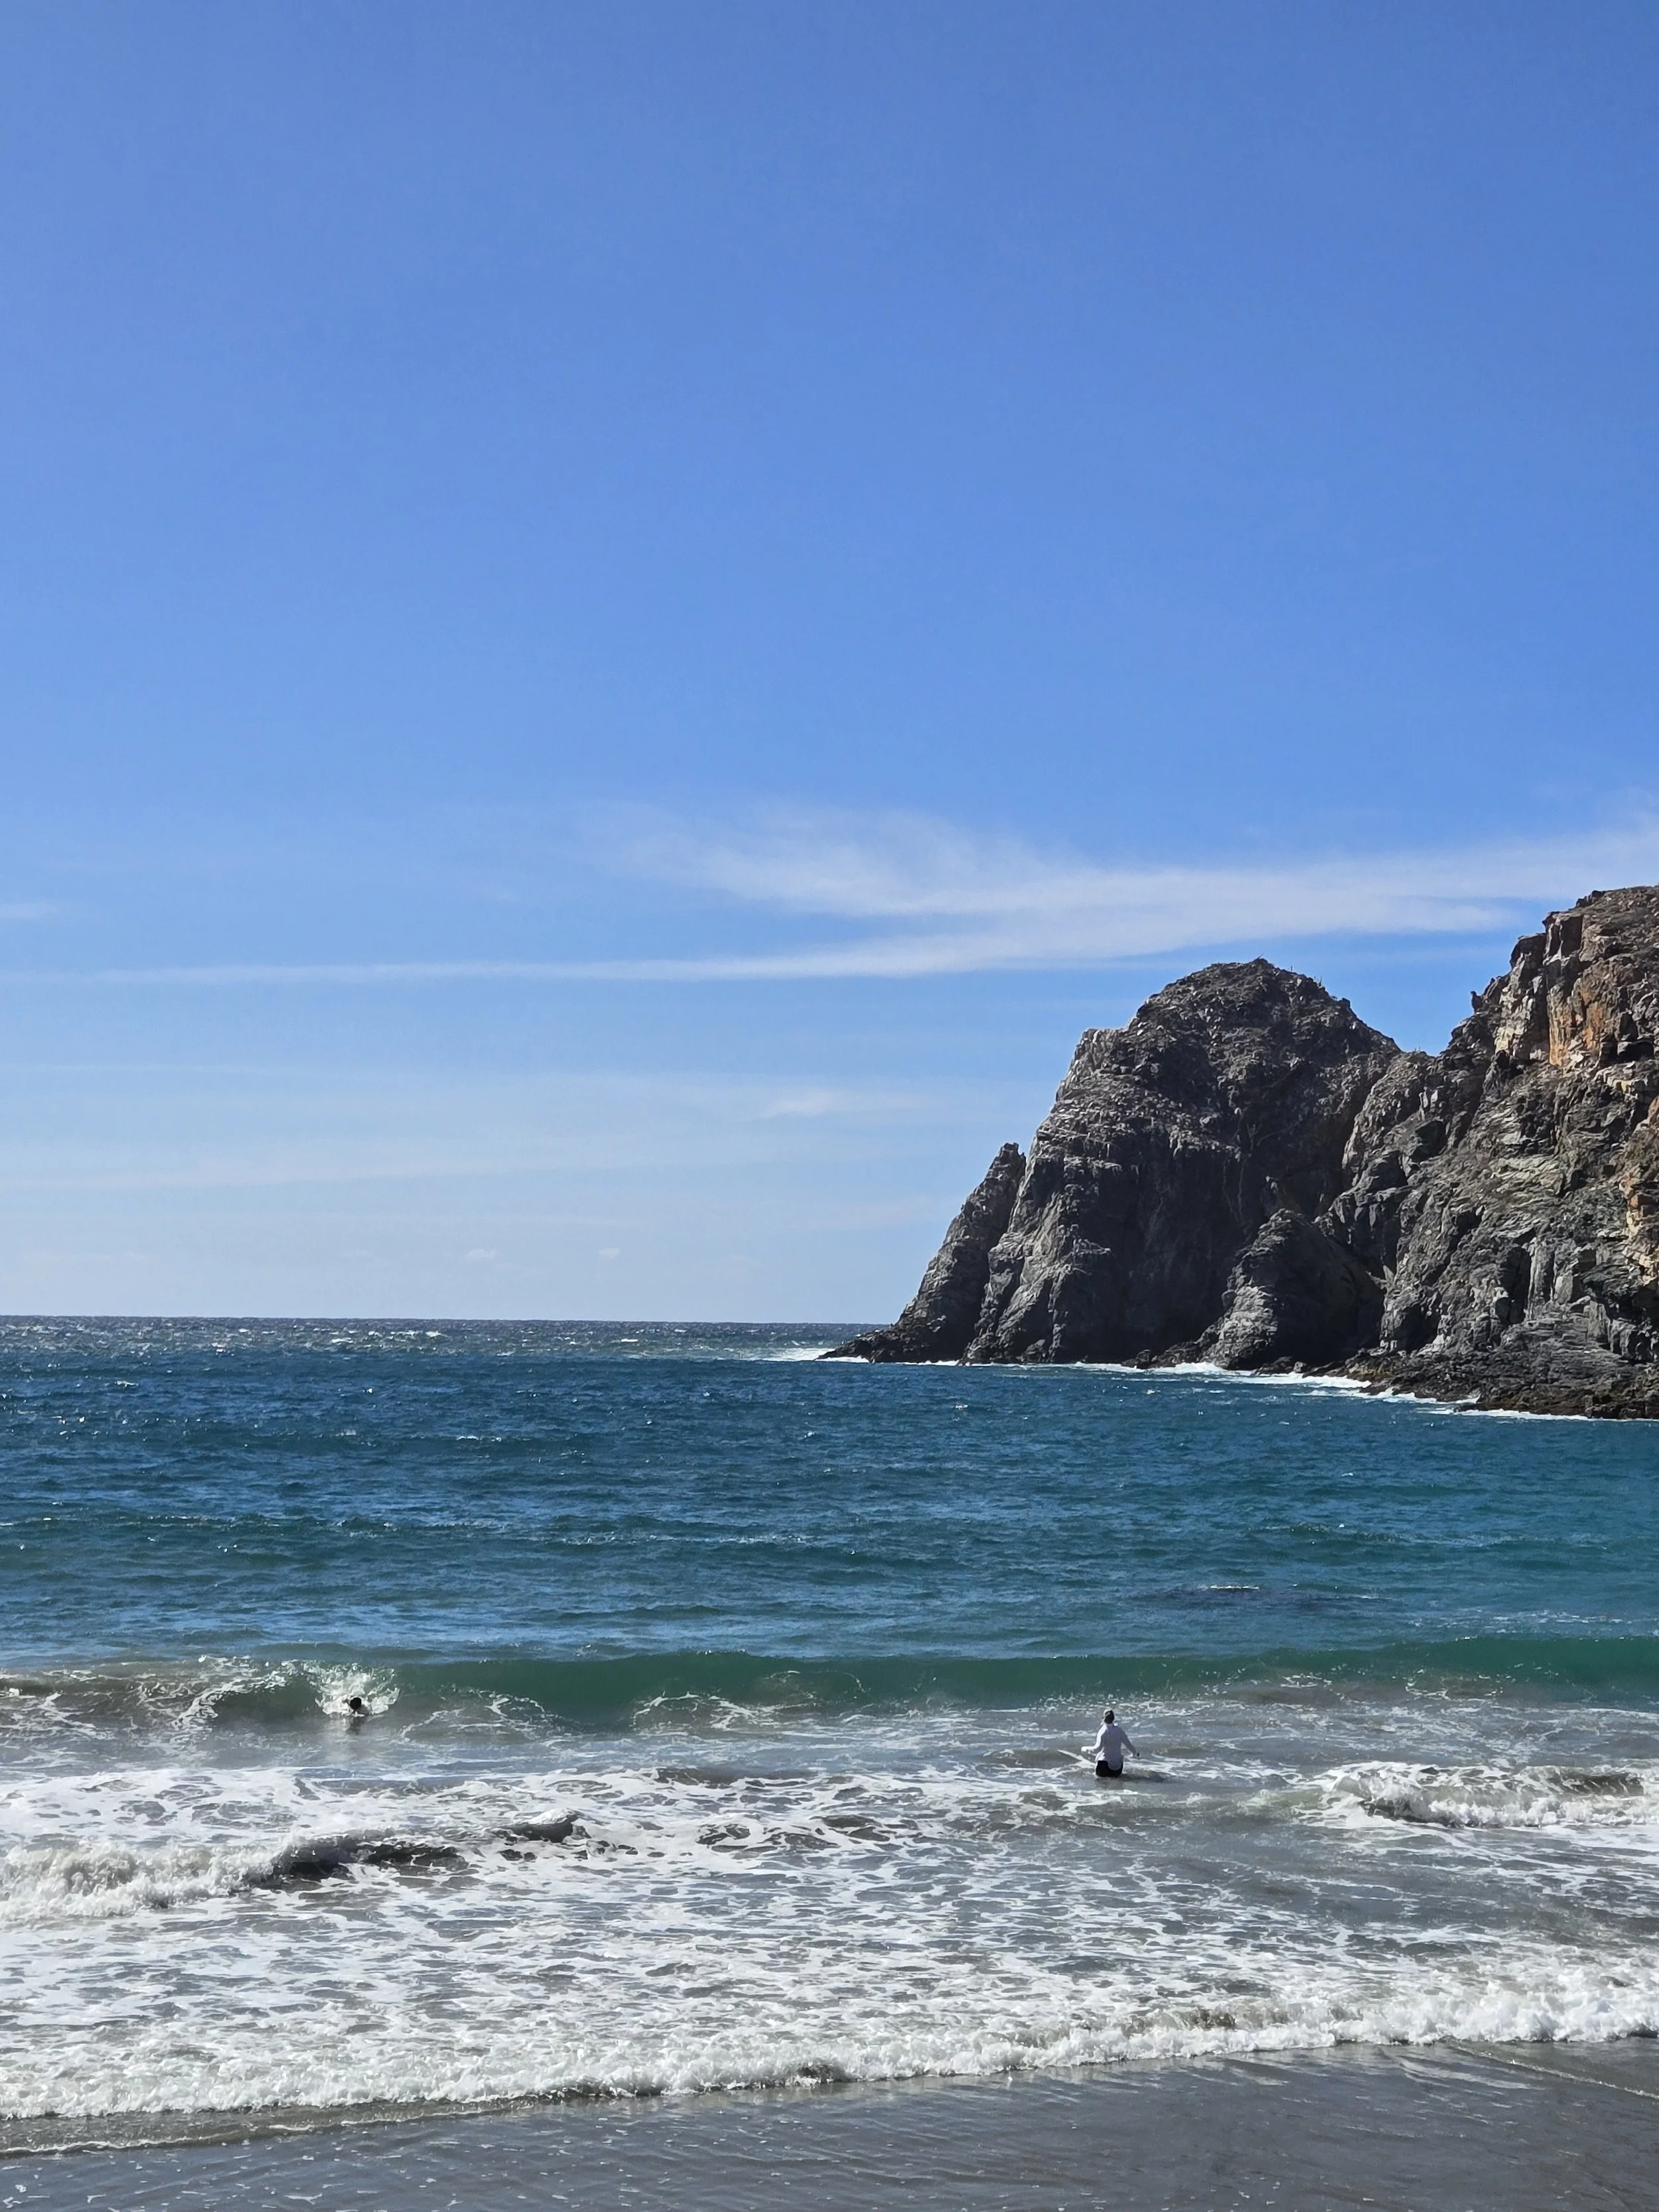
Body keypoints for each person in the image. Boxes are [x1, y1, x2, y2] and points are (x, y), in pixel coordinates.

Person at [1090, 1708, 1135, 1778]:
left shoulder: (1103, 1731)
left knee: (1098, 1780)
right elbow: (1128, 1745)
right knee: (1115, 1778)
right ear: (1113, 1719)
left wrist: (1085, 1749)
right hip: (1118, 1769)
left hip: (1104, 1768)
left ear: (1103, 1718)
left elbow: (1097, 1749)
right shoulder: (1119, 1731)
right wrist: (1134, 1753)